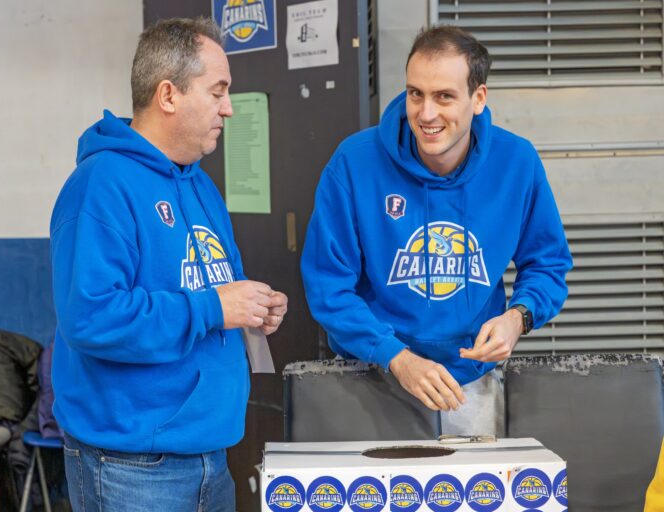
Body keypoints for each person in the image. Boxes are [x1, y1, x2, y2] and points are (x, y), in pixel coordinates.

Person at [49, 17, 287, 512]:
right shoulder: (101, 184)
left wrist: (250, 305)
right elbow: (91, 317)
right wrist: (214, 308)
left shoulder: (199, 182)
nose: (229, 108)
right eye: (218, 91)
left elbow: (215, 286)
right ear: (168, 95)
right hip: (130, 467)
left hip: (209, 452)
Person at [301, 25, 571, 435]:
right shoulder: (354, 163)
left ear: (478, 98)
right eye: (416, 94)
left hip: (471, 384)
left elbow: (547, 264)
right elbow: (327, 285)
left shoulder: (517, 162)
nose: (426, 114)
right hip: (372, 377)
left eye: (444, 96)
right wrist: (396, 357)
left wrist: (518, 317)